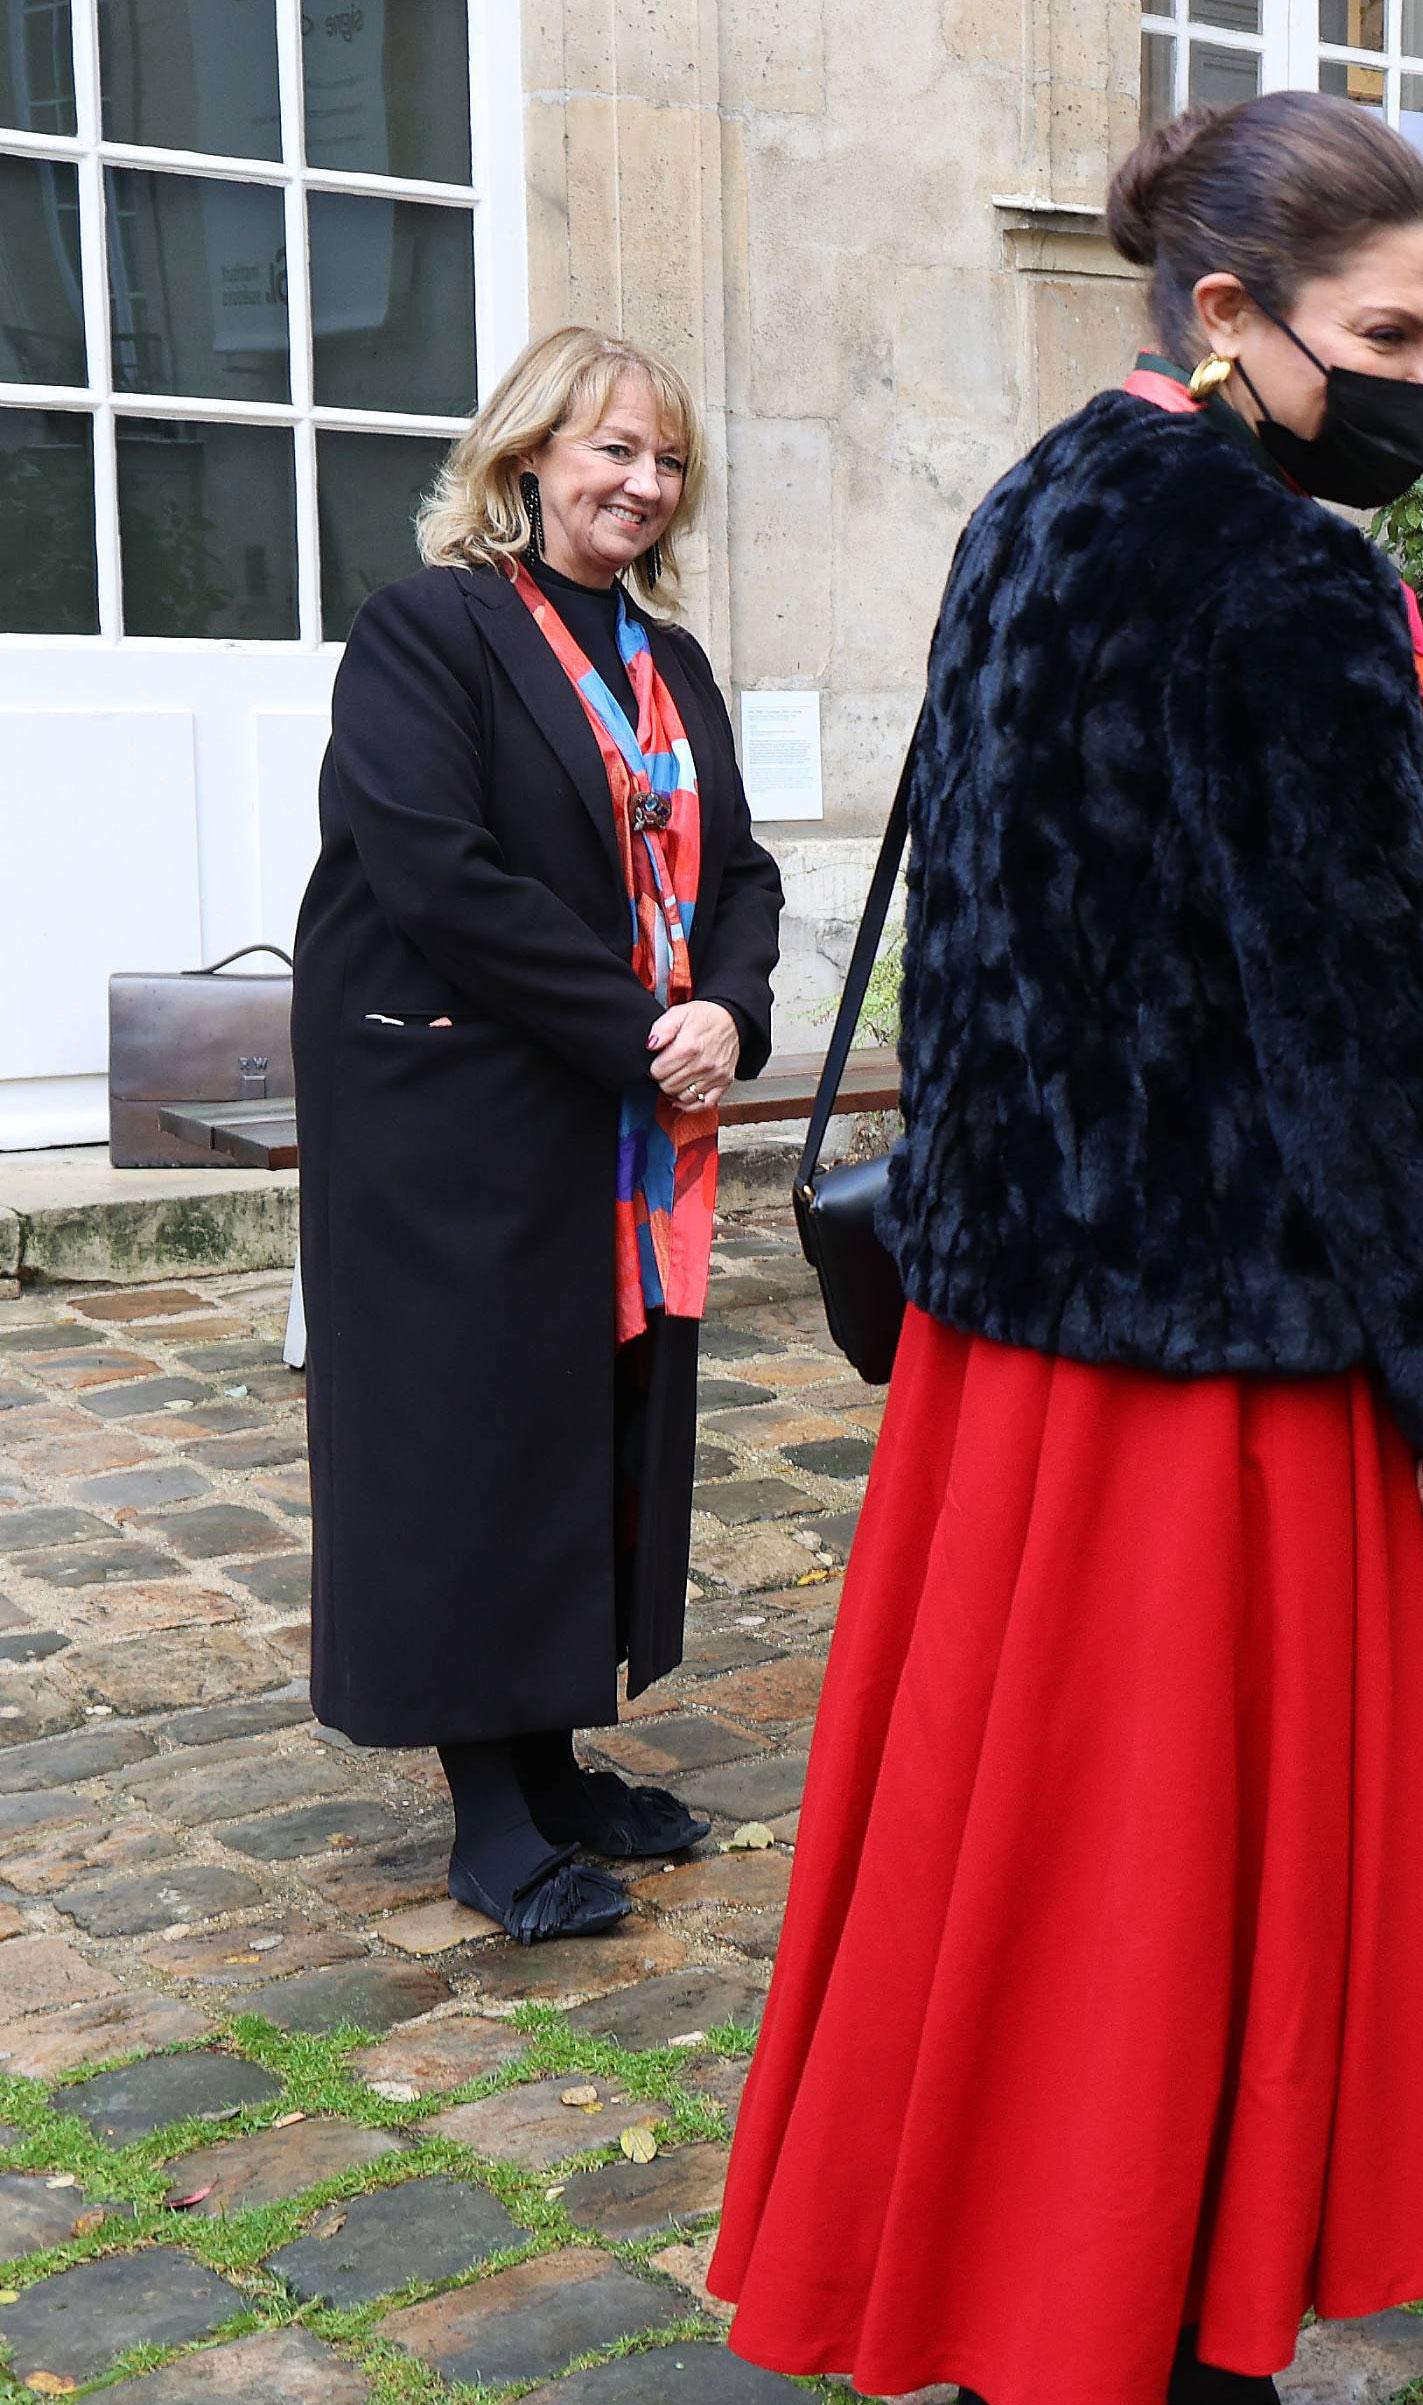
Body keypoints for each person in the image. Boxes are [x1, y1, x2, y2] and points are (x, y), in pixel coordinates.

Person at [708, 92, 1423, 2405]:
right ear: (1228, 312)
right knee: (1183, 1888)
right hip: (1222, 1363)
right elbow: (1361, 1023)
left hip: (1016, 1343)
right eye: (1388, 332)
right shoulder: (1282, 580)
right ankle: (1154, 2371)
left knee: (1020, 1867)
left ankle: (1037, 2332)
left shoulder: (1044, 505)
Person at [295, 326, 784, 1945]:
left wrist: (729, 1006)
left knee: (594, 1428)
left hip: (619, 1120)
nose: (642, 484)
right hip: (463, 1118)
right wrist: (642, 1029)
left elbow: (744, 875)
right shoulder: (425, 634)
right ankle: (488, 1816)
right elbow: (439, 873)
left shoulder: (672, 664)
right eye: (613, 451)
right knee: (471, 1444)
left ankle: (558, 1758)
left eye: (665, 462)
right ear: (524, 458)